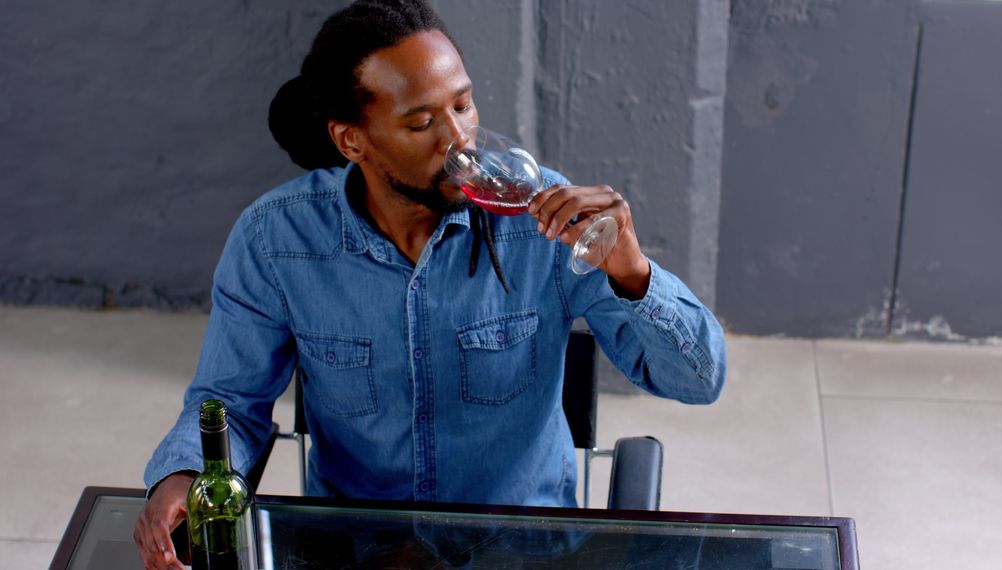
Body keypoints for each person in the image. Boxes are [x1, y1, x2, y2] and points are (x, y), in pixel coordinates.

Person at [134, 0, 727, 567]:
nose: (459, 139)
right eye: (422, 123)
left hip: (518, 553)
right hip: (359, 550)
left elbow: (700, 380)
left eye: (464, 106)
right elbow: (231, 403)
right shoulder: (275, 239)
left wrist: (632, 270)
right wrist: (182, 475)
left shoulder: (540, 221)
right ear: (352, 141)